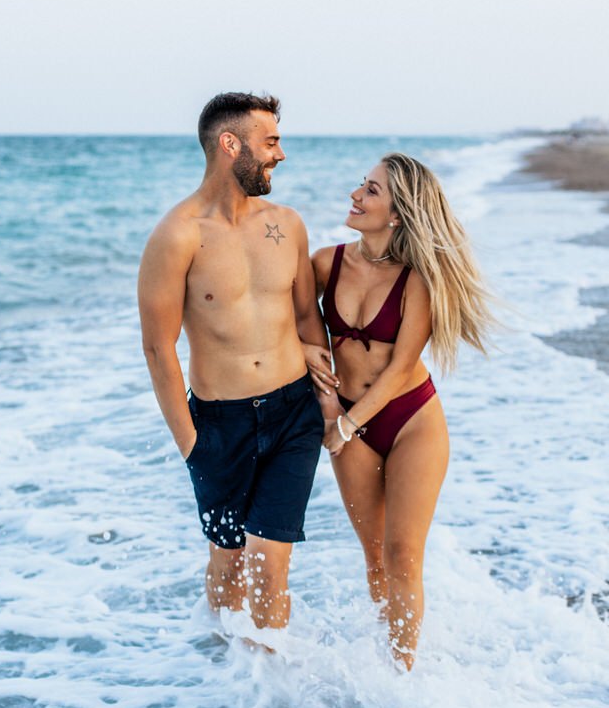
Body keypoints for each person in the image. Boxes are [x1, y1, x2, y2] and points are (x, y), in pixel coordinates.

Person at [138, 93, 327, 634]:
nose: (280, 154)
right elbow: (157, 347)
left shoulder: (287, 224)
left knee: (272, 562)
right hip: (220, 426)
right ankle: (228, 678)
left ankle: (271, 700)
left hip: (294, 414)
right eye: (270, 142)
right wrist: (190, 444)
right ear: (230, 144)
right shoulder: (178, 235)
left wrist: (327, 400)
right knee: (229, 559)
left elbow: (307, 318)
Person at [306, 153, 493, 669]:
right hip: (348, 422)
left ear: (397, 213)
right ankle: (388, 662)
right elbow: (292, 321)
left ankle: (404, 674)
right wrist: (310, 364)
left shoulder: (419, 281)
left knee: (404, 554)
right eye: (360, 184)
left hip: (409, 418)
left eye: (370, 190)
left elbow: (398, 368)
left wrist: (343, 423)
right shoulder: (326, 263)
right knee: (374, 557)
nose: (355, 195)